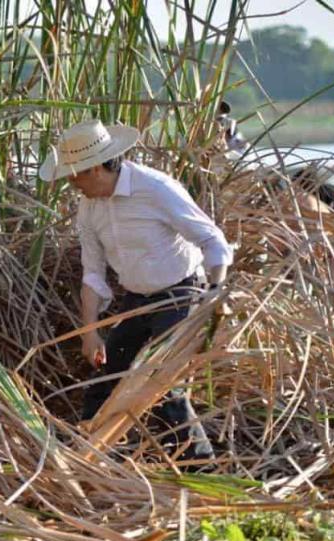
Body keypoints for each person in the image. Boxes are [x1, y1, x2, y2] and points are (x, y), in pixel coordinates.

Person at [39, 119, 234, 463]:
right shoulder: (89, 206)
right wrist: (91, 333)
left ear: (96, 167)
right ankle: (90, 460)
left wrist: (214, 293)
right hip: (137, 301)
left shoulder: (155, 189)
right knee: (108, 377)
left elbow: (212, 240)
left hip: (181, 294)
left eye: (74, 175)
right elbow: (93, 273)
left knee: (162, 384)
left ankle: (201, 468)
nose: (71, 184)